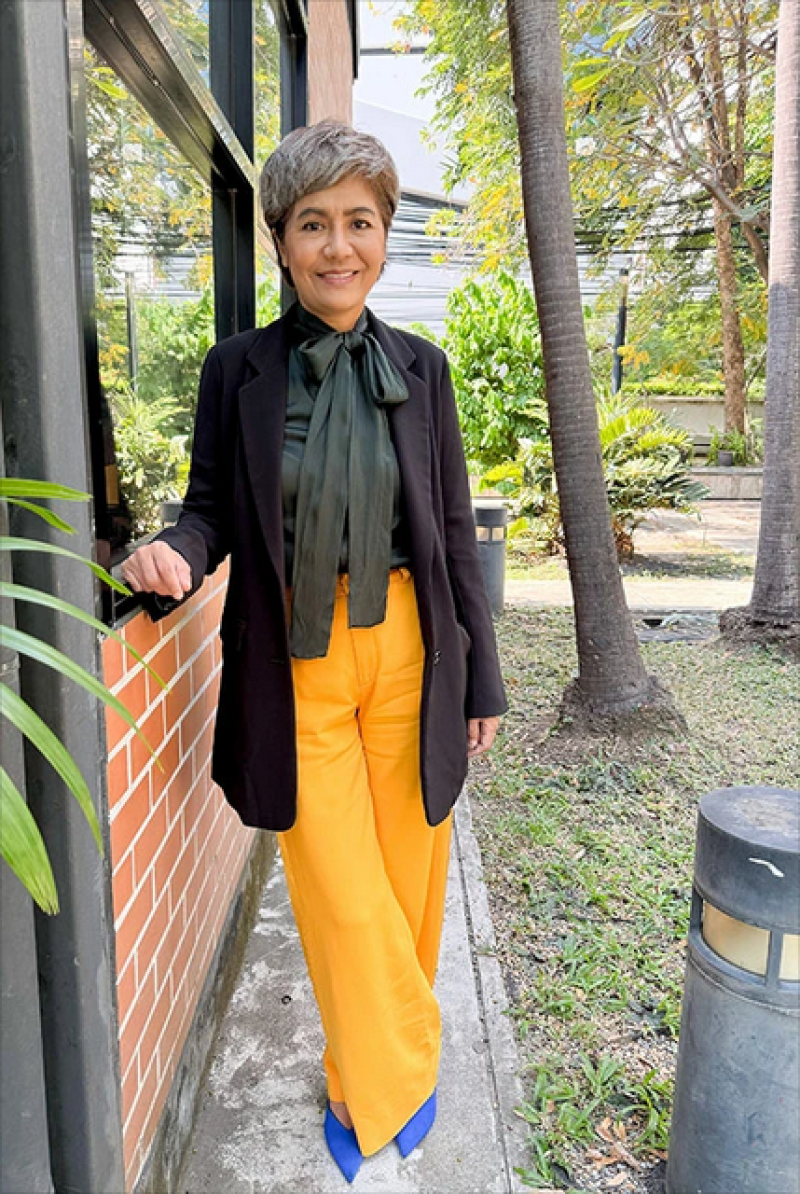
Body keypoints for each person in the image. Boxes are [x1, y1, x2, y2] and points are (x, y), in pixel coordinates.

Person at [121, 120, 507, 1183]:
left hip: (412, 649)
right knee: (340, 891)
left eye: (360, 222)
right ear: (281, 242)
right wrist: (171, 552)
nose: (339, 246)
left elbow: (452, 532)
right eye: (313, 224)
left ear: (383, 235)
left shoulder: (422, 369)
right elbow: (210, 510)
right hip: (295, 659)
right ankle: (405, 1070)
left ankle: (357, 1079)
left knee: (408, 878)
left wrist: (480, 676)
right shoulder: (237, 370)